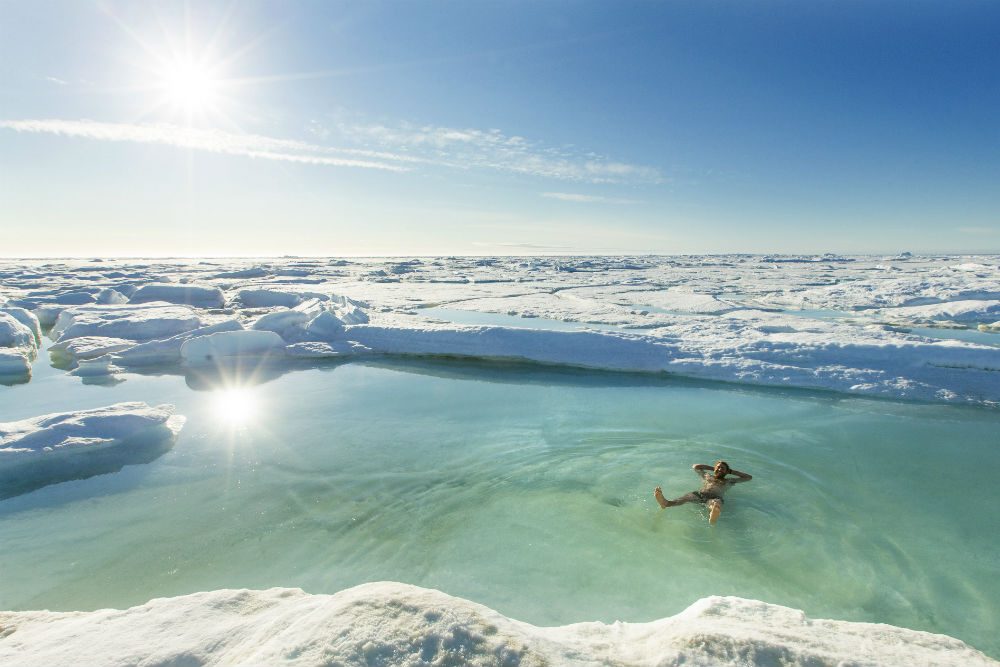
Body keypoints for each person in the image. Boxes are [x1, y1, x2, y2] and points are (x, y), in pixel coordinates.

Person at [654, 460, 752, 524]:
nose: (720, 469)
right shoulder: (707, 476)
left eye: (723, 468)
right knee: (684, 498)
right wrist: (713, 468)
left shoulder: (729, 481)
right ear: (715, 469)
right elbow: (695, 466)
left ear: (726, 471)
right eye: (718, 467)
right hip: (700, 495)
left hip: (715, 497)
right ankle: (665, 503)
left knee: (715, 504)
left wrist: (731, 471)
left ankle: (712, 516)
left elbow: (748, 478)